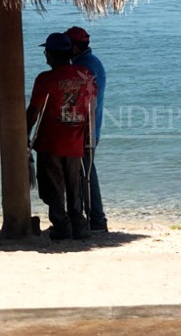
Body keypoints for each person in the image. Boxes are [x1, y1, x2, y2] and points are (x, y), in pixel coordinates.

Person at [27, 32, 97, 241]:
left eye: (47, 53)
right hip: (75, 141)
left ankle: (62, 226)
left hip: (51, 142)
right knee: (75, 187)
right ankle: (79, 226)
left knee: (53, 188)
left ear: (51, 54)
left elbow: (34, 111)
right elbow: (91, 107)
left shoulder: (45, 79)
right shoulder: (85, 75)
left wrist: (24, 134)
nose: (46, 57)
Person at [68, 26, 108, 232]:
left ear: (74, 48)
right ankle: (93, 218)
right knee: (85, 171)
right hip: (91, 127)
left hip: (85, 129)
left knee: (86, 173)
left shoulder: (84, 67)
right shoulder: (92, 62)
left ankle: (96, 219)